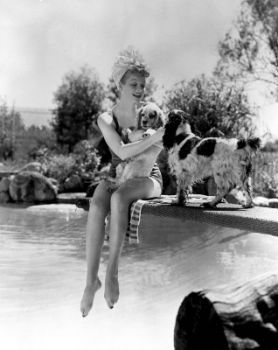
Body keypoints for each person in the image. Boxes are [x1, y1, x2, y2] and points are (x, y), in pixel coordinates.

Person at [80, 48, 164, 317]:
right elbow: (123, 152)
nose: (140, 89)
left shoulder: (151, 113)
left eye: (142, 85)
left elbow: (156, 150)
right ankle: (91, 281)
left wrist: (157, 136)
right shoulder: (107, 119)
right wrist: (154, 136)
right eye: (133, 84)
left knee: (118, 198)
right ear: (120, 85)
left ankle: (112, 272)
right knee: (97, 201)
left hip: (149, 177)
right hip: (121, 173)